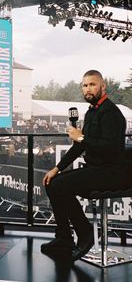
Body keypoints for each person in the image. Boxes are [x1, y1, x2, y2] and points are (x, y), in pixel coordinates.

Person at [41, 70, 127, 261]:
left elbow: (112, 148)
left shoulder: (111, 112)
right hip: (96, 169)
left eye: (92, 85)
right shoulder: (92, 111)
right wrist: (57, 169)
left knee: (61, 186)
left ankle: (85, 232)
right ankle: (64, 238)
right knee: (51, 181)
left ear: (103, 86)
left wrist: (81, 137)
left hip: (111, 172)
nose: (87, 89)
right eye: (84, 85)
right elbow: (81, 145)